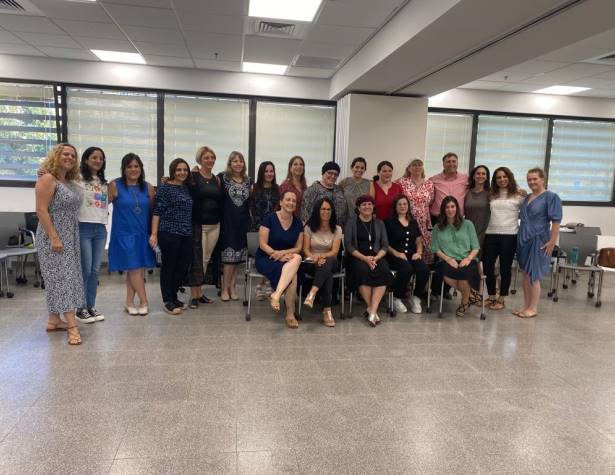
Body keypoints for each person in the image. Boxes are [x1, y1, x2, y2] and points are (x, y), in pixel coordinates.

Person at [40, 146, 109, 324]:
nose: (98, 161)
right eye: (94, 157)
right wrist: (43, 172)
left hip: (100, 228)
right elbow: (55, 179)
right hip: (83, 226)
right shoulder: (76, 178)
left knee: (95, 270)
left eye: (101, 158)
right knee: (85, 269)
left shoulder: (104, 182)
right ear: (85, 160)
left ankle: (90, 305)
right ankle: (80, 308)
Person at [35, 143, 84, 345]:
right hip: (53, 235)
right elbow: (41, 210)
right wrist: (54, 237)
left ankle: (54, 320)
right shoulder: (47, 178)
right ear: (56, 156)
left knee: (62, 277)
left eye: (73, 155)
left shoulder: (69, 181)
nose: (69, 157)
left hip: (70, 234)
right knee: (63, 279)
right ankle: (72, 326)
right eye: (65, 154)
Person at [108, 153, 156, 316]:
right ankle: (144, 301)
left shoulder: (148, 187)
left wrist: (154, 233)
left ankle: (129, 302)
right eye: (129, 166)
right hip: (124, 234)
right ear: (124, 169)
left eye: (136, 166)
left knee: (136, 270)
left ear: (141, 168)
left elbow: (154, 212)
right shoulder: (115, 185)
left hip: (142, 233)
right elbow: (99, 203)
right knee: (135, 268)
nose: (133, 169)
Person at [515, 168, 562, 319]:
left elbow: (556, 221)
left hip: (539, 239)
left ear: (543, 179)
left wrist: (552, 241)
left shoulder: (551, 197)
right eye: (529, 179)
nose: (532, 182)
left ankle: (533, 308)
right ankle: (526, 305)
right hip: (523, 238)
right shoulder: (527, 197)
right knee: (525, 274)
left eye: (535, 179)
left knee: (533, 274)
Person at [149, 158, 193, 315]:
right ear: (173, 171)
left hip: (186, 233)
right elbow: (157, 212)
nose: (182, 172)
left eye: (185, 170)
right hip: (168, 232)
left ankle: (174, 296)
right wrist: (154, 234)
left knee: (183, 266)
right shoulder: (165, 188)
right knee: (169, 267)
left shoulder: (186, 187)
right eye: (179, 170)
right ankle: (168, 300)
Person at [256, 191, 304, 329]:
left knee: (297, 257)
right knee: (293, 274)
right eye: (288, 200)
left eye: (294, 201)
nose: (291, 203)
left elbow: (298, 247)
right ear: (281, 202)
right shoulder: (269, 219)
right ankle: (290, 314)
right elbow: (262, 244)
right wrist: (276, 254)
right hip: (267, 257)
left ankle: (276, 295)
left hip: (288, 258)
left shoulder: (298, 223)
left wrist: (283, 253)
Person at [344, 194, 392, 327]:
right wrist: (365, 258)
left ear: (373, 206)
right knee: (362, 270)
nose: (367, 206)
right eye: (364, 204)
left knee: (384, 270)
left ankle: (372, 310)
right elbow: (348, 245)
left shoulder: (379, 223)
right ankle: (372, 309)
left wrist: (376, 257)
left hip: (376, 257)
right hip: (357, 257)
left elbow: (385, 245)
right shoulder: (351, 222)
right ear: (358, 208)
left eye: (369, 204)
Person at [483, 167, 526, 310]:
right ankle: (491, 296)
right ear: (495, 180)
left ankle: (501, 298)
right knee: (487, 266)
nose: (502, 179)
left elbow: (527, 212)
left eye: (504, 176)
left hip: (510, 235)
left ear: (510, 178)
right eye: (499, 177)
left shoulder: (518, 195)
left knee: (505, 268)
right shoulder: (491, 195)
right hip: (491, 234)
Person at [431, 196, 481, 318]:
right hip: (446, 259)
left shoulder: (468, 224)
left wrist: (468, 258)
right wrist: (448, 259)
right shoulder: (437, 227)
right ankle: (471, 295)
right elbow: (436, 249)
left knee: (464, 274)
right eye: (447, 207)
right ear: (443, 210)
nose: (450, 210)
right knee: (445, 273)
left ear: (457, 208)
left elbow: (476, 247)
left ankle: (464, 302)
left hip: (467, 258)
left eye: (452, 206)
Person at [184, 146, 221, 308]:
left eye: (212, 157)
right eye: (206, 157)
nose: (210, 160)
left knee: (206, 259)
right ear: (200, 159)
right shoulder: (193, 176)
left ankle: (200, 293)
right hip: (198, 225)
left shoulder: (216, 179)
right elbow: (180, 186)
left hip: (215, 225)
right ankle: (194, 295)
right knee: (197, 260)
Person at [385, 195, 429, 314]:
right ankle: (396, 297)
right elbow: (385, 243)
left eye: (405, 204)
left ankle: (415, 297)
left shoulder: (413, 222)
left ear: (408, 206)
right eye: (399, 204)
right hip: (394, 255)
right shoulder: (388, 222)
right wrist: (396, 253)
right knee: (406, 268)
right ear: (395, 207)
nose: (402, 206)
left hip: (411, 254)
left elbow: (418, 240)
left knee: (424, 269)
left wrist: (419, 252)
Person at [303, 197, 343, 327]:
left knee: (327, 263)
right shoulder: (309, 227)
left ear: (332, 211)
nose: (326, 212)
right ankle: (327, 311)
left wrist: (320, 256)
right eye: (323, 209)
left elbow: (334, 252)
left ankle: (313, 292)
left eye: (328, 209)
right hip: (312, 261)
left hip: (331, 260)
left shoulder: (337, 229)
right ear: (317, 210)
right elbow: (306, 249)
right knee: (328, 274)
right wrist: (315, 258)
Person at [218, 151, 252, 301]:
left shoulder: (248, 180)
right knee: (228, 258)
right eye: (235, 161)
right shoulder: (222, 178)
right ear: (230, 163)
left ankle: (233, 287)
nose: (238, 164)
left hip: (243, 223)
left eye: (241, 161)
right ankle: (224, 288)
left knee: (238, 258)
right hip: (228, 222)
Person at [250, 161, 280, 300]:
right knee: (261, 256)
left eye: (271, 171)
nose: (269, 174)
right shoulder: (254, 188)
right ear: (261, 173)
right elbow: (251, 209)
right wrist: (259, 227)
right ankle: (262, 284)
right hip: (257, 228)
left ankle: (265, 284)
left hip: (273, 229)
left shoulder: (277, 189)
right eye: (266, 171)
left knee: (271, 256)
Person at [397, 158, 435, 264]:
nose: (417, 167)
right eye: (414, 165)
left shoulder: (429, 184)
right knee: (409, 247)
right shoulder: (402, 182)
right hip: (408, 220)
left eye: (419, 165)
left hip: (425, 222)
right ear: (409, 168)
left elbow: (431, 201)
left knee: (426, 249)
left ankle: (424, 271)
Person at [301, 161, 348, 227]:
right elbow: (305, 215)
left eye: (335, 174)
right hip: (317, 230)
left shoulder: (339, 190)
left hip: (337, 230)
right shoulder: (312, 190)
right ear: (323, 173)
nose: (333, 176)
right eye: (330, 173)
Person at [429, 152, 469, 221]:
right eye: (448, 162)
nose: (451, 164)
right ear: (443, 164)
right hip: (438, 218)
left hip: (458, 218)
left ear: (457, 163)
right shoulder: (433, 180)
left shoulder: (466, 179)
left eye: (454, 161)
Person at [464, 165, 491, 251]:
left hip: (484, 232)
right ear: (473, 176)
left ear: (487, 177)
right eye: (478, 173)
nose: (480, 176)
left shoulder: (491, 193)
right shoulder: (466, 192)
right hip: (467, 231)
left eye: (483, 174)